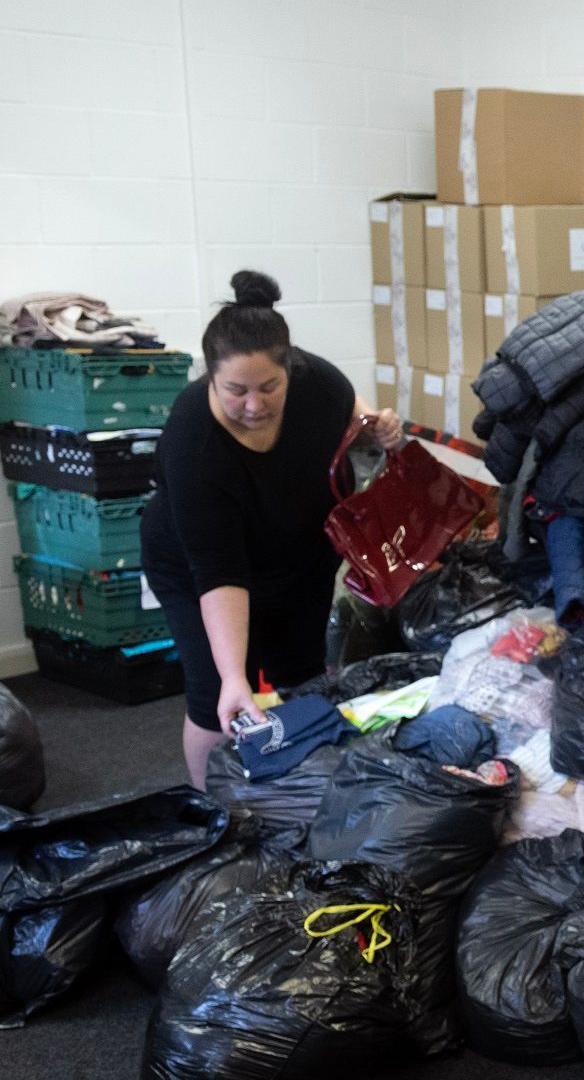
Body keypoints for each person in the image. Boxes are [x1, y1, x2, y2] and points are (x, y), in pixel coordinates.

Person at [141, 270, 405, 787]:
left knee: (301, 677)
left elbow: (356, 418)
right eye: (235, 390)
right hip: (198, 566)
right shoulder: (193, 443)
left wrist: (380, 424)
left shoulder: (320, 383)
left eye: (269, 387)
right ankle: (210, 811)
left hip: (299, 550)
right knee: (216, 691)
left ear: (291, 369)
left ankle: (292, 796)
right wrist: (236, 676)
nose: (254, 405)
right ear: (210, 379)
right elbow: (219, 573)